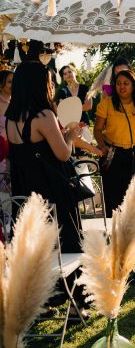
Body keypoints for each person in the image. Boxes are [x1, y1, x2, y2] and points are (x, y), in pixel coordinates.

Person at [5, 62, 84, 251]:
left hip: (24, 192)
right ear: (39, 85)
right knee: (63, 251)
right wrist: (71, 136)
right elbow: (64, 154)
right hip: (50, 193)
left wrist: (62, 135)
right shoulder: (43, 115)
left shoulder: (11, 118)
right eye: (49, 82)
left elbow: (31, 150)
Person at [94, 69, 135, 217]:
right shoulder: (107, 103)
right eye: (118, 84)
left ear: (133, 86)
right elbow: (97, 130)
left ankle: (131, 234)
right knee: (113, 199)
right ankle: (114, 233)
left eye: (126, 83)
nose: (121, 87)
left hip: (134, 153)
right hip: (113, 154)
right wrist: (102, 146)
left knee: (133, 196)